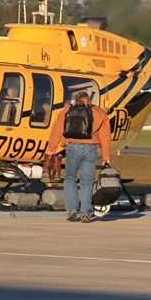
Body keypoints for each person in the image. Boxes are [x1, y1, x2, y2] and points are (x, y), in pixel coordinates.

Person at [46, 92, 111, 223]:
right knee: (87, 181)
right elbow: (105, 136)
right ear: (88, 99)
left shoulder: (68, 110)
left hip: (73, 147)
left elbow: (57, 129)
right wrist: (106, 157)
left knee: (70, 179)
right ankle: (85, 213)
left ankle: (72, 210)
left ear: (76, 99)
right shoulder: (99, 112)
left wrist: (52, 149)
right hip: (91, 148)